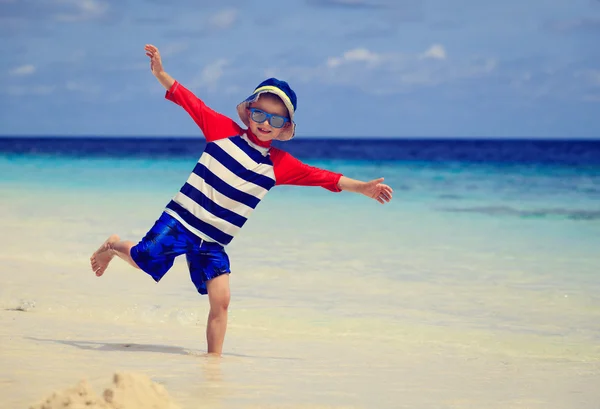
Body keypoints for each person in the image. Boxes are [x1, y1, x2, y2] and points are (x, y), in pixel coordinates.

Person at [90, 44, 393, 356]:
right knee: (142, 258)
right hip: (180, 221)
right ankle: (113, 245)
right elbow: (192, 103)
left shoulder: (280, 165)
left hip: (213, 242)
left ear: (284, 128)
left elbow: (324, 177)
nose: (265, 123)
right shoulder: (222, 130)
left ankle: (213, 363)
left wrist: (363, 188)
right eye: (260, 114)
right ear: (249, 111)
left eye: (275, 120)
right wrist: (162, 75)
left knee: (221, 300)